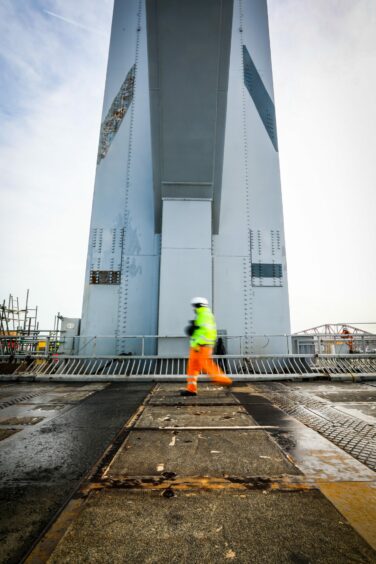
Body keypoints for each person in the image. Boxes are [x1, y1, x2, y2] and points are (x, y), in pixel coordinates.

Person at [181, 297, 233, 396]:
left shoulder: (204, 315)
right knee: (192, 368)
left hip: (201, 346)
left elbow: (207, 332)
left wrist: (197, 337)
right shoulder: (202, 314)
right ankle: (191, 389)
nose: (194, 308)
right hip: (197, 347)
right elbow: (202, 330)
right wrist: (194, 327)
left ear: (198, 305)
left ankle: (225, 381)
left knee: (207, 365)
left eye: (195, 306)